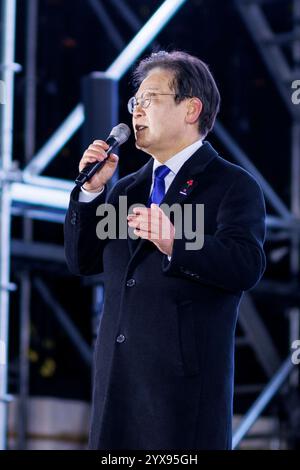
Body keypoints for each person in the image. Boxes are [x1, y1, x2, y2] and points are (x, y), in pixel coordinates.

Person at [64, 50, 266, 450]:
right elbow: (83, 260)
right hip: (116, 393)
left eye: (149, 99)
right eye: (134, 102)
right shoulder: (126, 189)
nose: (137, 111)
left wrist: (175, 241)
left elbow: (246, 265)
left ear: (191, 109)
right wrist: (90, 192)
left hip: (181, 399)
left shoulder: (231, 185)